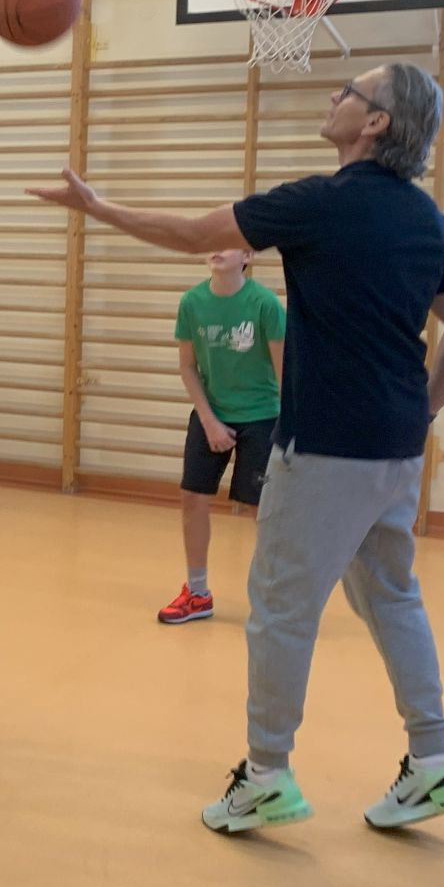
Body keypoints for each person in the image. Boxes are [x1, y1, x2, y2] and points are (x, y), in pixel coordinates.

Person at [28, 63, 444, 834]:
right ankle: (435, 757)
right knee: (391, 594)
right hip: (396, 453)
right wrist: (423, 412)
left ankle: (267, 775)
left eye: (350, 92)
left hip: (326, 452)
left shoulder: (318, 203)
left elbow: (192, 236)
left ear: (375, 123)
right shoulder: (433, 224)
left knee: (280, 607)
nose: (335, 97)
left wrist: (97, 206)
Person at [158, 248, 285, 625]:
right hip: (210, 413)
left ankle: (273, 598)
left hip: (262, 417)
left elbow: (285, 374)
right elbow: (187, 366)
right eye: (211, 241)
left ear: (247, 255)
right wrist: (209, 421)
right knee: (192, 498)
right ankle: (197, 593)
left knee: (261, 510)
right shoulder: (192, 302)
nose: (215, 248)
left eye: (226, 242)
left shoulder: (265, 305)